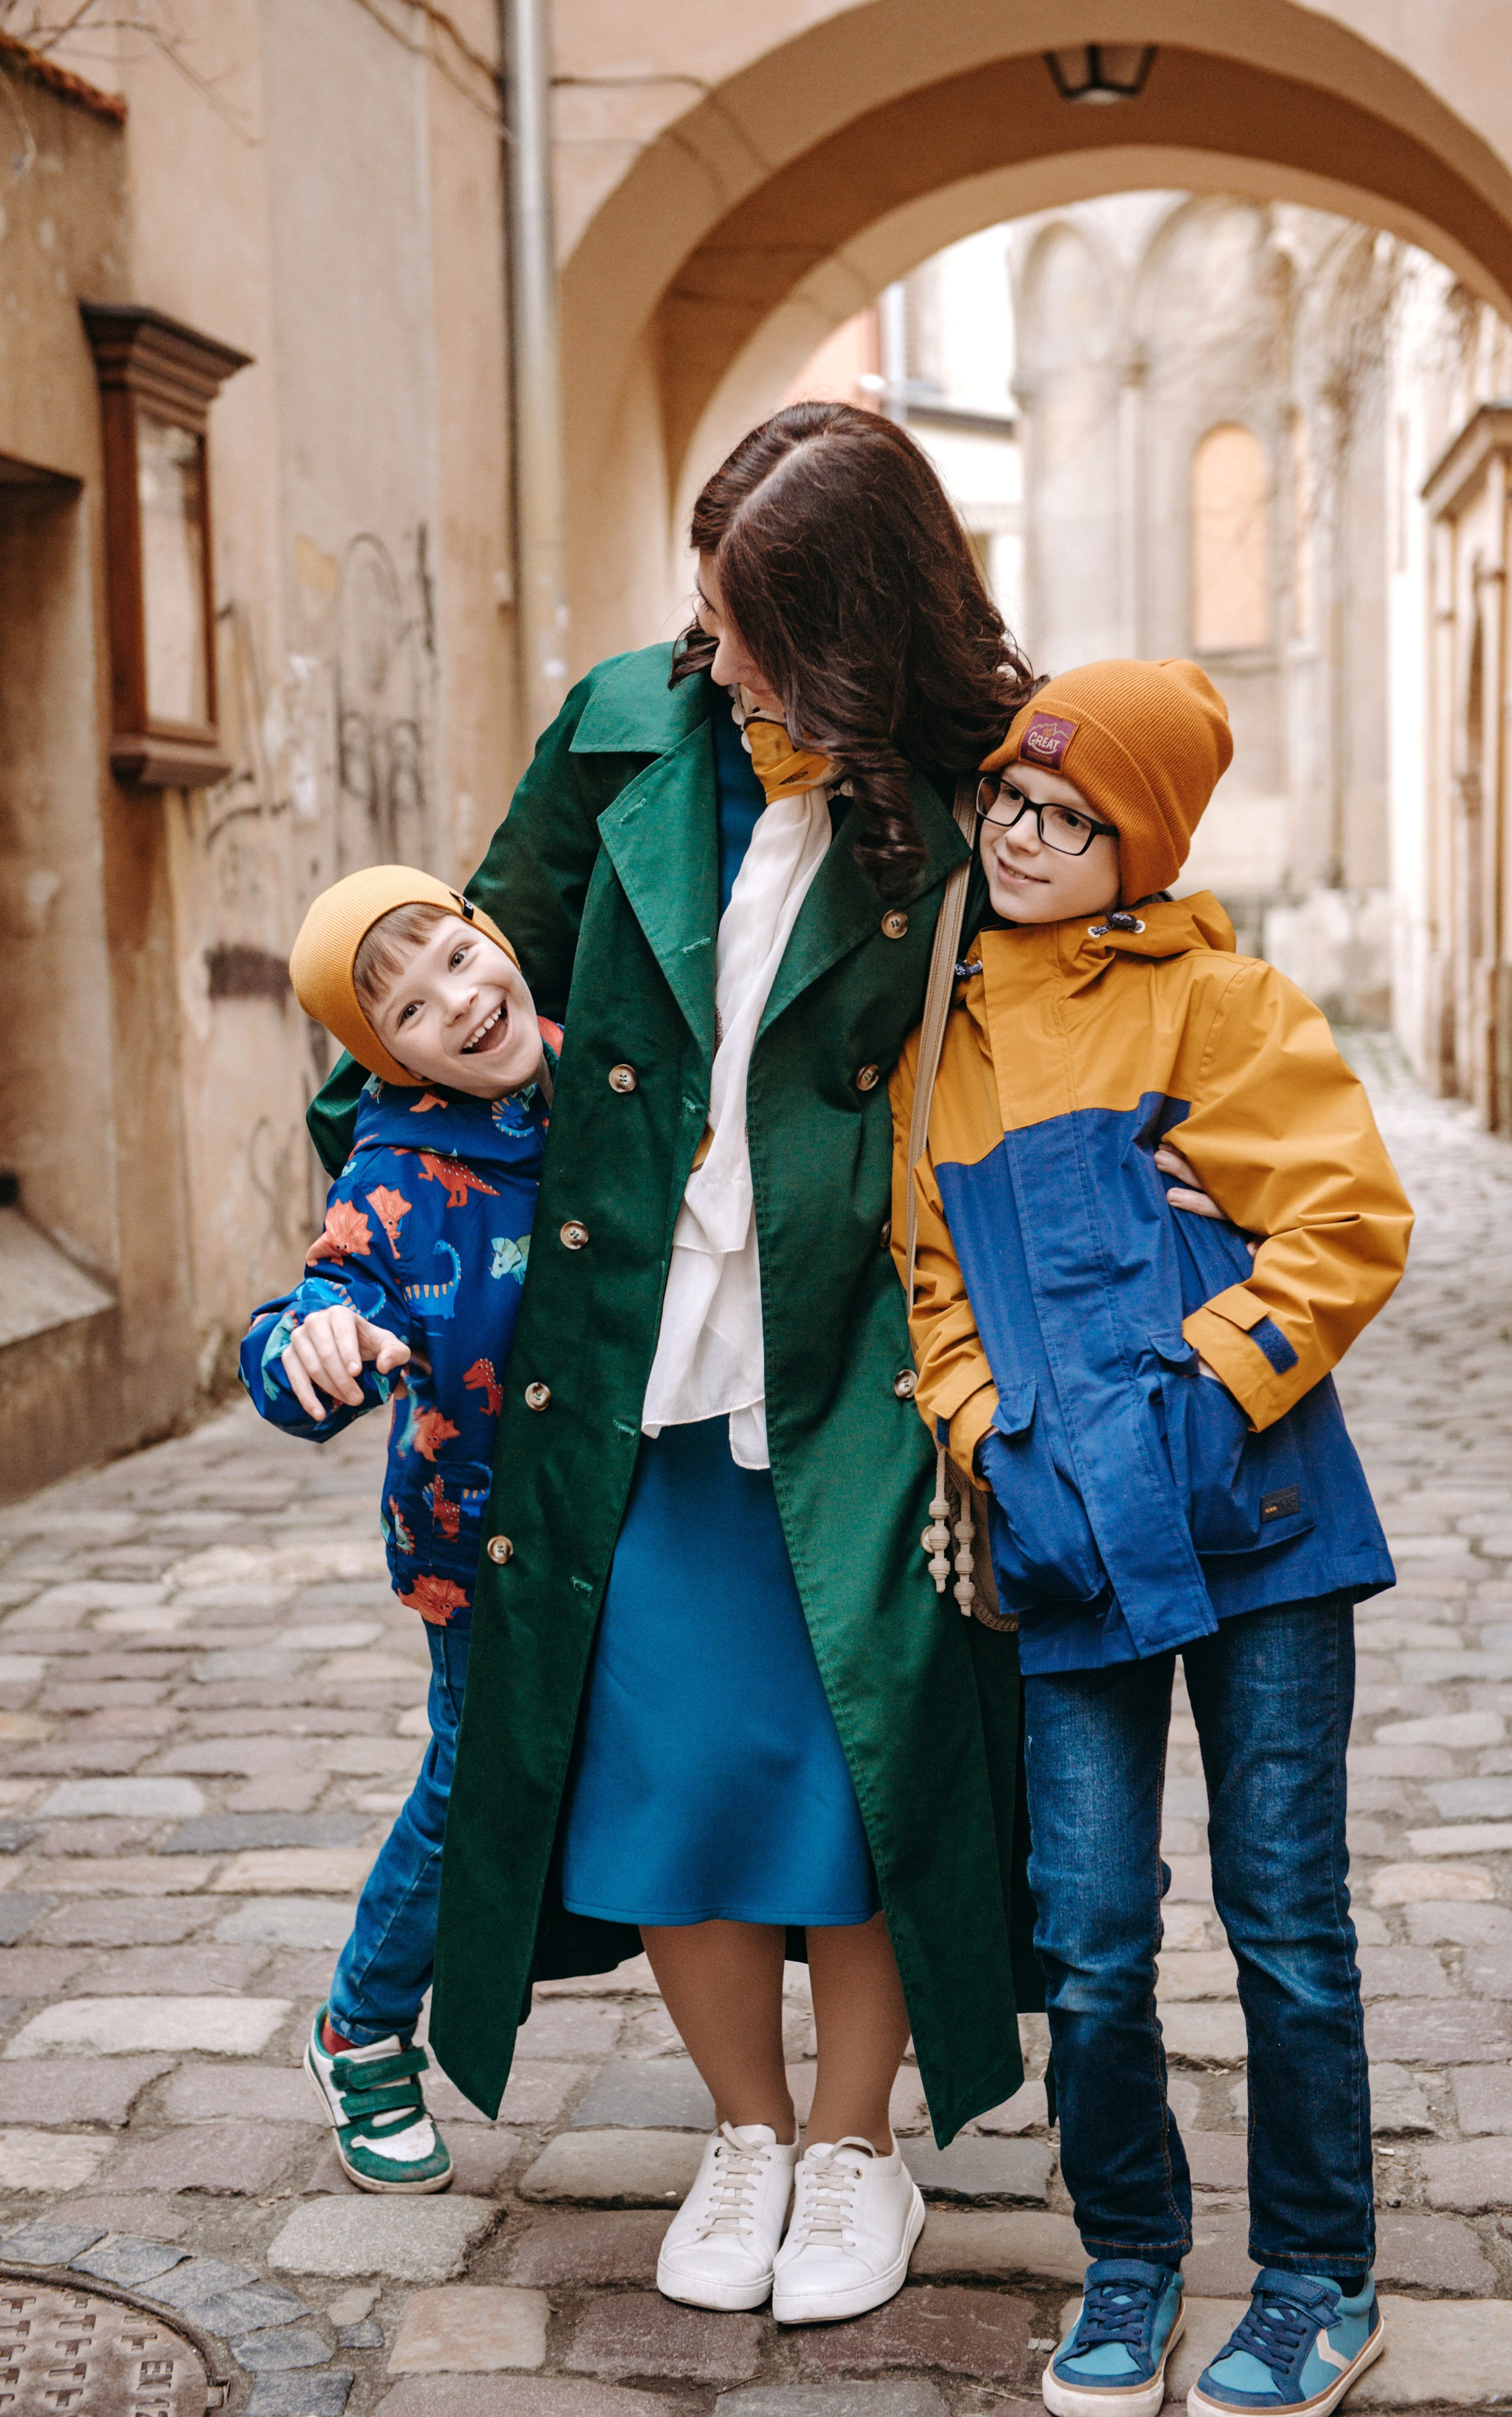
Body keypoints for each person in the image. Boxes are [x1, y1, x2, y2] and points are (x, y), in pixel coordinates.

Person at [303, 403, 1049, 2325]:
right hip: (621, 1359)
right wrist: (389, 1238)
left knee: (861, 1767)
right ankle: (741, 2132)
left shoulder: (978, 794)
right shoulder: (625, 724)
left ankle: (856, 2145)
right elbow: (443, 975)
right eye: (701, 612)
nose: (710, 654)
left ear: (850, 626)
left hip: (863, 1363)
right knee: (670, 1769)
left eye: (745, 622)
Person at [891, 660, 1414, 2417]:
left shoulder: (1223, 1002)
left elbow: (1345, 1217)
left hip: (1259, 1524)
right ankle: (1127, 2253)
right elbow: (934, 1284)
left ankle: (1319, 2277)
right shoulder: (945, 1039)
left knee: (1284, 1922)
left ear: (1145, 842)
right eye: (1010, 804)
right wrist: (987, 1431)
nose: (1025, 839)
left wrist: (1208, 1384)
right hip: (1062, 1546)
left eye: (1072, 817)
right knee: (1094, 1931)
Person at [240, 867, 559, 2193]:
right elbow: (304, 1317)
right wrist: (318, 1342)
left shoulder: (614, 1069)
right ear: (386, 1056)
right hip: (475, 1540)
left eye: (452, 957)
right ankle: (362, 2027)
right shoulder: (396, 1177)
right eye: (407, 1009)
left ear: (491, 936)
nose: (457, 1004)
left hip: (631, 1508)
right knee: (473, 1786)